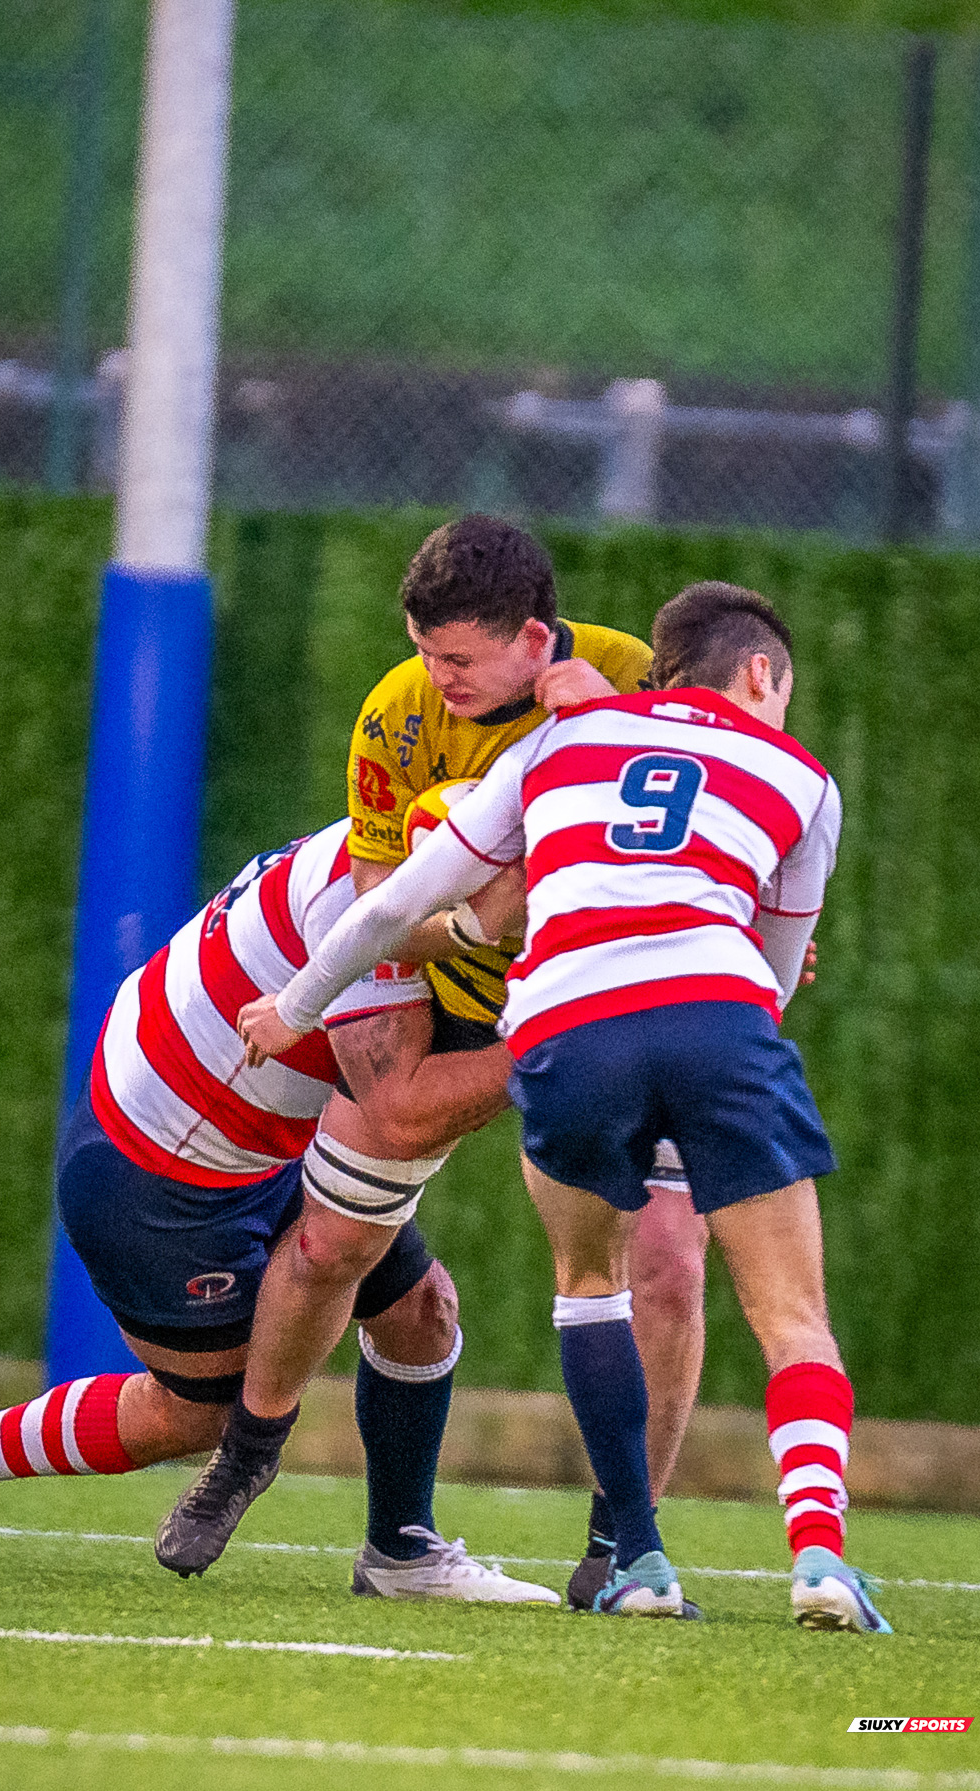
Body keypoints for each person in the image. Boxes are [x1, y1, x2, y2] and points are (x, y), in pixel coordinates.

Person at [240, 581, 892, 1634]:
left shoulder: (554, 743)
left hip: (564, 1024)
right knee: (791, 1314)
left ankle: (635, 1558)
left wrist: (294, 1006)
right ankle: (818, 1555)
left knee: (591, 1284)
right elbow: (773, 972)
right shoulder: (801, 773)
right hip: (716, 1018)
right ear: (760, 674)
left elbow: (398, 901)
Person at [156, 515, 710, 1592]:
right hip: (455, 994)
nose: (432, 676)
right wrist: (471, 925)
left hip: (620, 998)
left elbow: (738, 812)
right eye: (421, 648)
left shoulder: (631, 682)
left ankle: (620, 1547)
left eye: (455, 658)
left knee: (668, 1266)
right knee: (329, 1244)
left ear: (535, 640)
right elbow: (374, 908)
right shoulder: (394, 715)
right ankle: (245, 1459)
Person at [0, 819, 559, 1607]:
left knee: (421, 1310)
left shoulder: (408, 848)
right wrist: (567, 1036)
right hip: (158, 1165)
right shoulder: (378, 904)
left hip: (232, 1126)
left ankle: (402, 1552)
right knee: (195, 1415)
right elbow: (400, 1112)